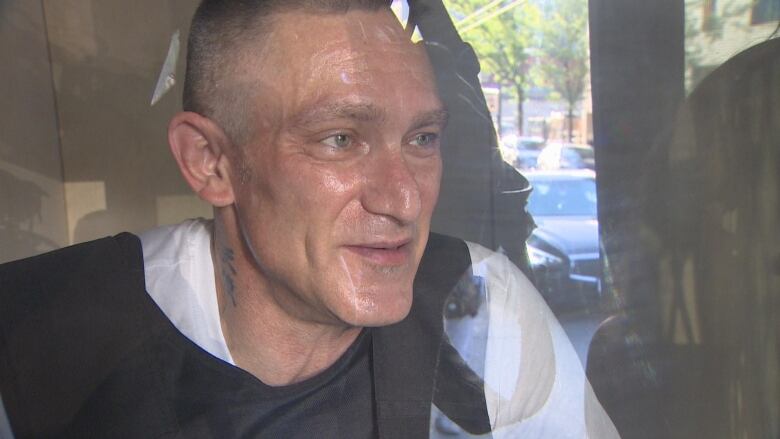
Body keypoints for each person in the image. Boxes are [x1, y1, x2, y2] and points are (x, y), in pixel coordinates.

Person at [0, 1, 619, 438]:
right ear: (210, 162)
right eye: (341, 139)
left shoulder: (479, 312)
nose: (403, 200)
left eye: (422, 138)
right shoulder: (38, 336)